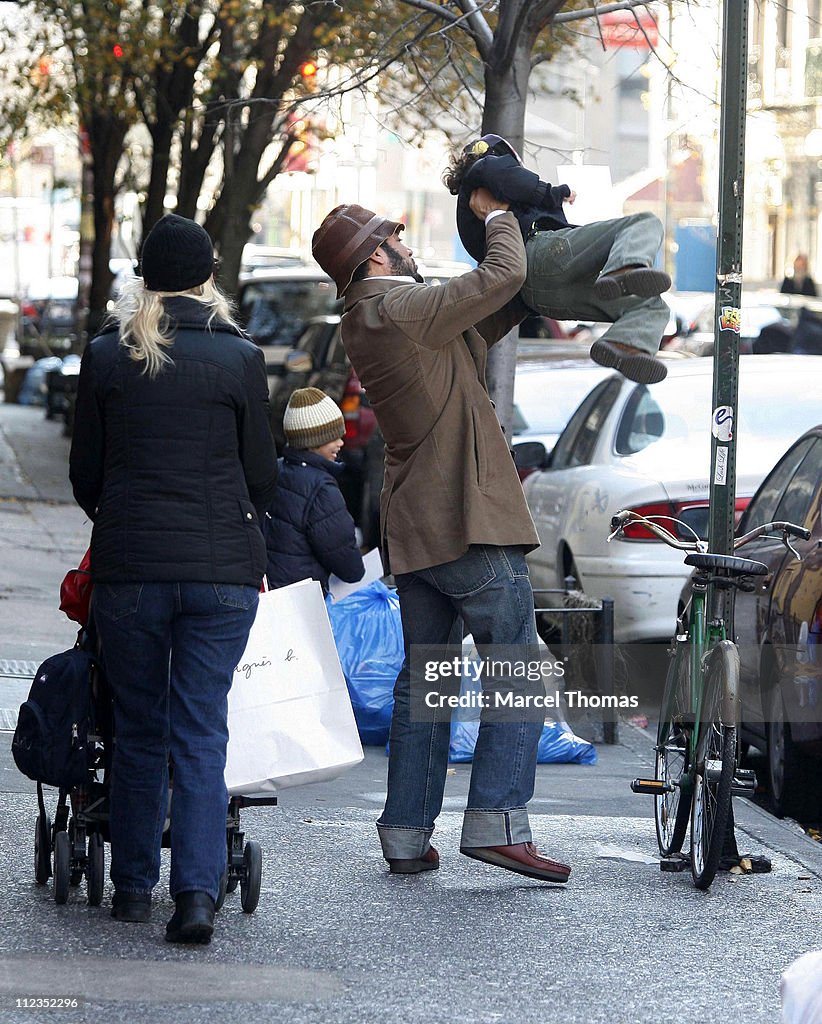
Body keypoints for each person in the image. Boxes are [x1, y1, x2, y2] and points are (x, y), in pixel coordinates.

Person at [311, 196, 572, 885]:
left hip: (417, 525)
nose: (405, 243)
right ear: (374, 255)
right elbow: (502, 273)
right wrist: (496, 213)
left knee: (425, 682)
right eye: (394, 236)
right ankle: (497, 823)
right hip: (464, 518)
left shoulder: (378, 315)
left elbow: (485, 316)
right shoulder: (400, 308)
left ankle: (405, 831)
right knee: (515, 670)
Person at [69, 213, 278, 945]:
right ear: (208, 277)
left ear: (143, 279)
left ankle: (130, 889)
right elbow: (262, 475)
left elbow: (84, 476)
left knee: (137, 727)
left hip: (130, 573)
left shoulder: (105, 356)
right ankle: (194, 896)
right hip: (221, 576)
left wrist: (122, 518)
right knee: (200, 729)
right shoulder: (240, 359)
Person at [444, 134, 672, 385]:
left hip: (539, 298)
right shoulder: (484, 170)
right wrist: (551, 193)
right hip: (539, 250)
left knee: (651, 304)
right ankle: (623, 268)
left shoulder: (477, 215)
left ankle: (624, 344)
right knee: (644, 222)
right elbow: (498, 171)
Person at [264, 387, 364, 594]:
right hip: (305, 603)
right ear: (313, 440)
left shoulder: (276, 470)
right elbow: (350, 568)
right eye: (333, 437)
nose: (341, 443)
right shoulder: (321, 489)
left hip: (272, 594)